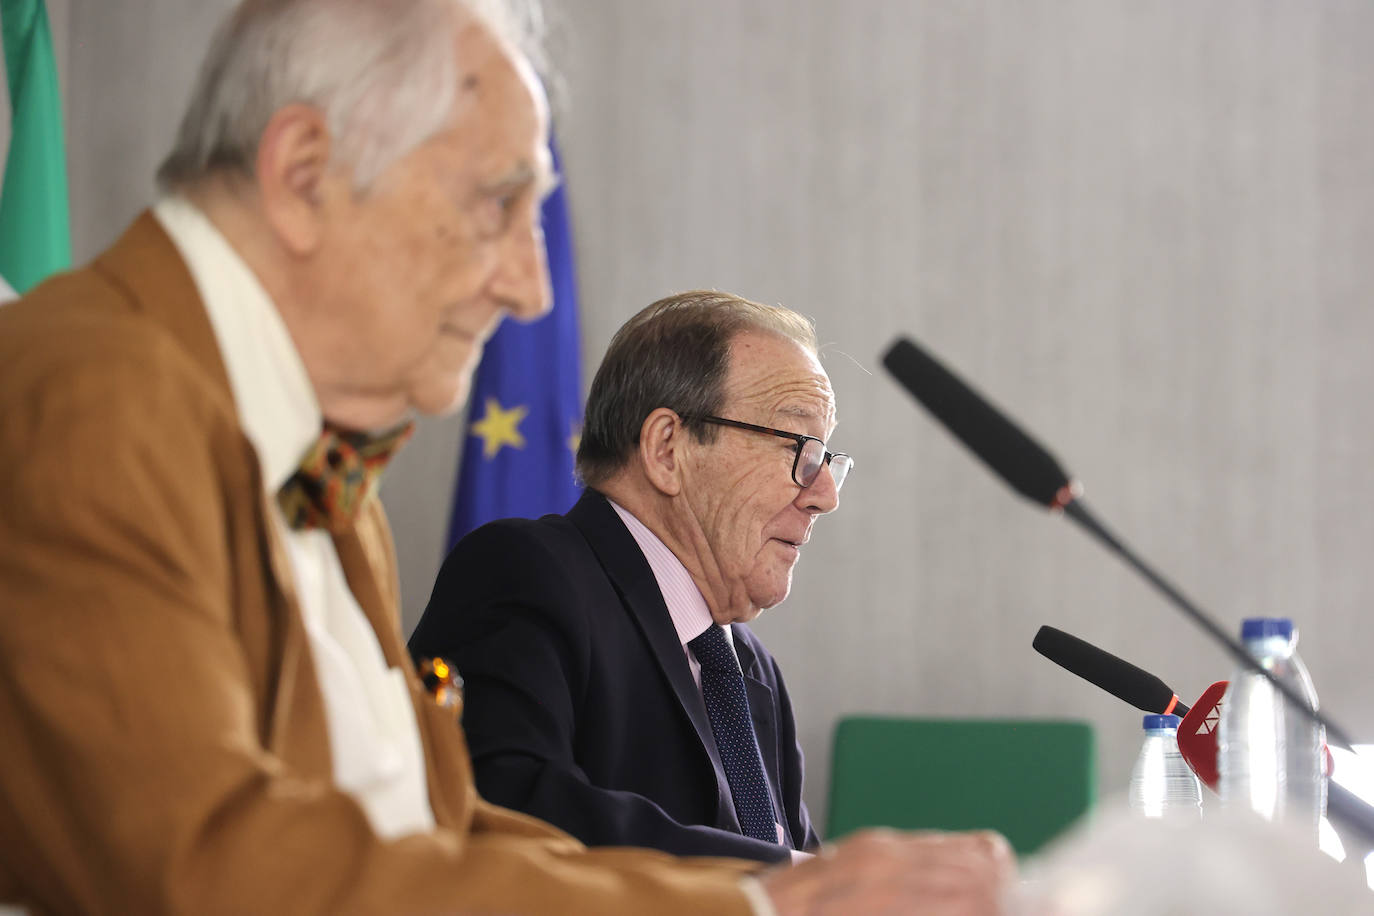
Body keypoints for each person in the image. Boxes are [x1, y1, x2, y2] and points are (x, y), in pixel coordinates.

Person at [0, 1, 1013, 913]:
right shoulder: (95, 396)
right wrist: (762, 907)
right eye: (499, 206)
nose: (532, 288)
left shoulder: (333, 479)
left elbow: (440, 829)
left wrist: (794, 889)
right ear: (305, 172)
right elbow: (209, 868)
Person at [411, 291, 845, 864]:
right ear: (668, 449)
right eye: (800, 448)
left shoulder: (749, 667)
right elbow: (507, 810)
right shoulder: (525, 572)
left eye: (828, 460)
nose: (826, 495)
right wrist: (788, 880)